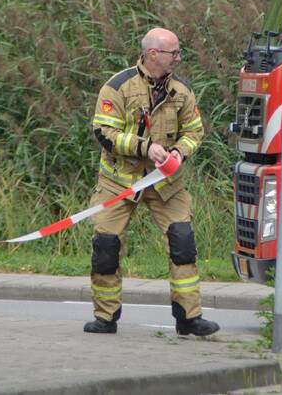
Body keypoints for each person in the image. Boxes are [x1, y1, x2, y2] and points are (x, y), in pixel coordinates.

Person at [83, 27, 219, 336]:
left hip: (165, 183)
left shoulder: (182, 91)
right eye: (174, 53)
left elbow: (194, 131)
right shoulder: (117, 87)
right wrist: (145, 147)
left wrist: (179, 152)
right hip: (120, 182)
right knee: (106, 246)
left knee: (182, 242)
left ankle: (189, 317)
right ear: (153, 54)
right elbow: (104, 133)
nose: (179, 58)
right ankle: (105, 317)